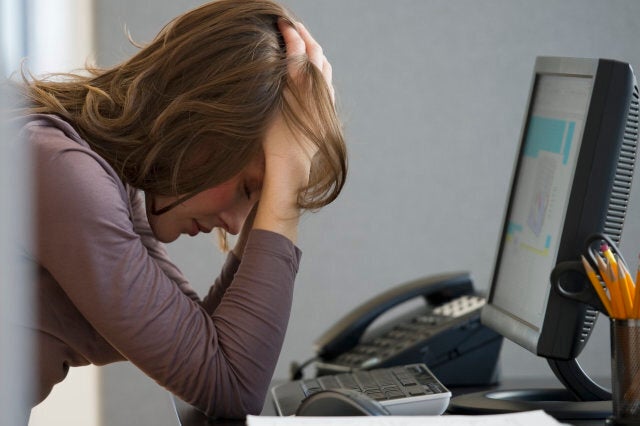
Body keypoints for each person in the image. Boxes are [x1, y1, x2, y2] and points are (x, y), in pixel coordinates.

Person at [11, 0, 346, 419]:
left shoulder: (106, 181)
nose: (236, 222)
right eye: (247, 187)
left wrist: (280, 185)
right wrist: (286, 192)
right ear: (195, 121)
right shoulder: (62, 172)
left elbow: (204, 343)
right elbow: (231, 387)